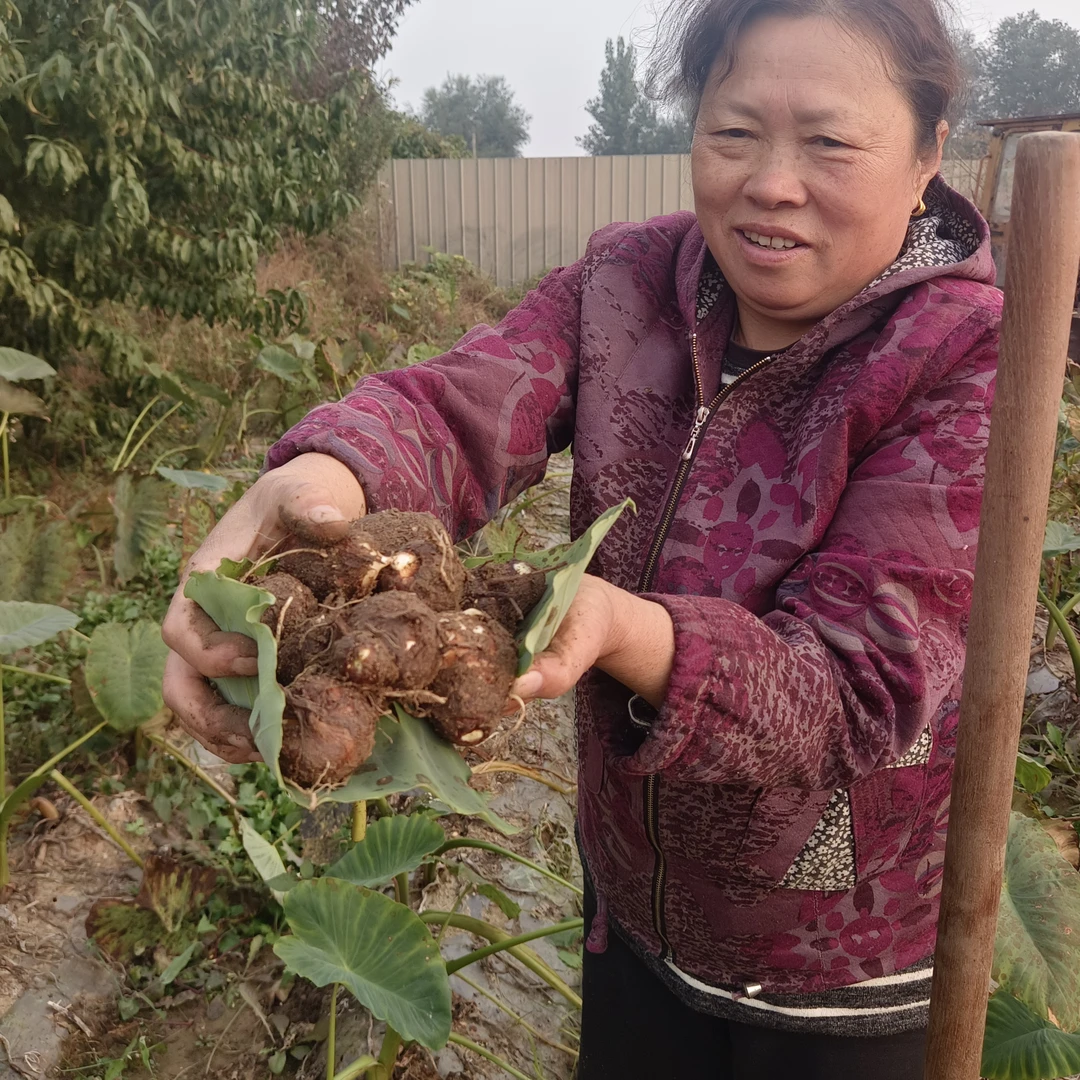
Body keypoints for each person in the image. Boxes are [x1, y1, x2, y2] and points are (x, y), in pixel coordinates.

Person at [162, 0, 1001, 1075]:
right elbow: (461, 406)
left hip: (839, 974)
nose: (771, 182)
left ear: (930, 152)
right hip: (630, 912)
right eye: (733, 131)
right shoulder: (628, 282)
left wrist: (625, 629)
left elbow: (856, 688)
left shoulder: (963, 356)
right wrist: (320, 480)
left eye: (829, 141)